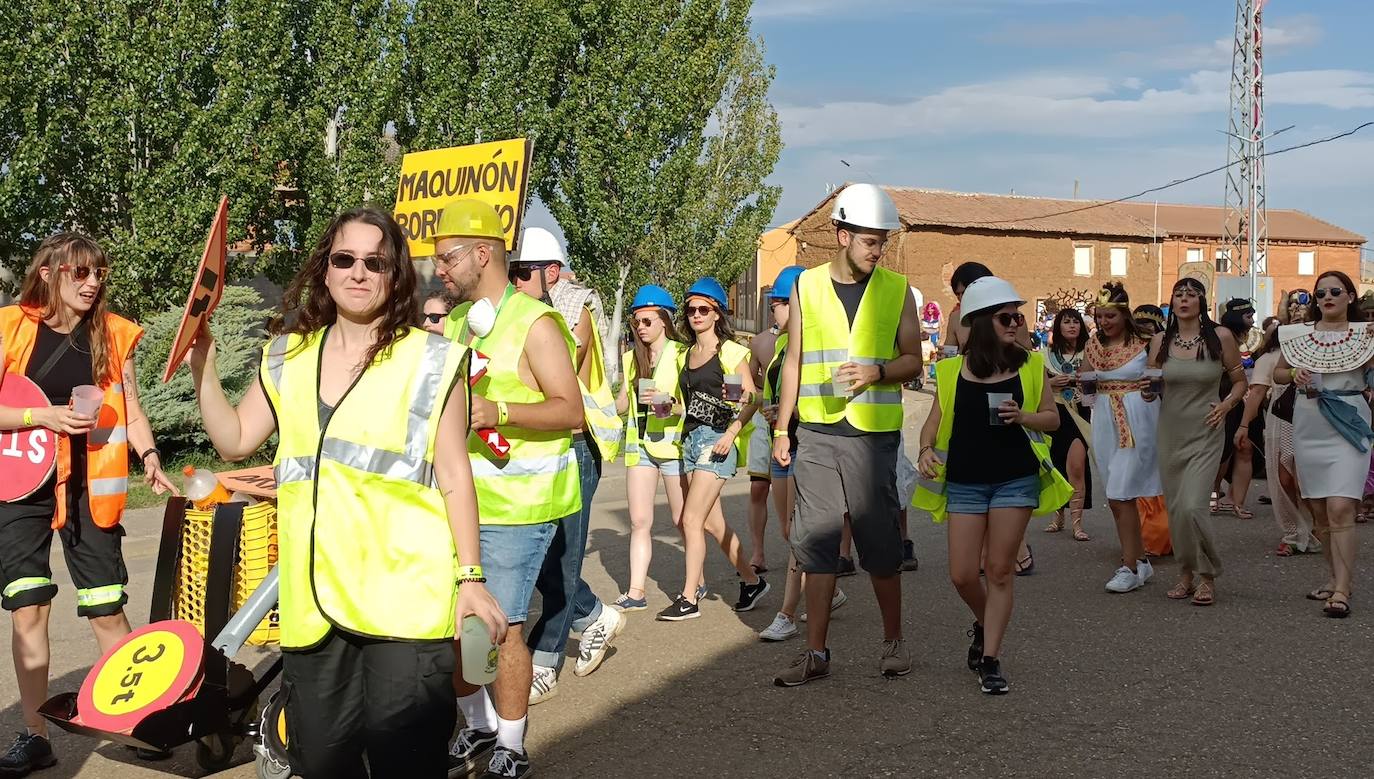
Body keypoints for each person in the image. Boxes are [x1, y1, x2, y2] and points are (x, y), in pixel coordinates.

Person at [187, 207, 505, 777]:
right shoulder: (286, 357)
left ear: (395, 274)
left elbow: (456, 475)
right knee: (324, 765)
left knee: (404, 765)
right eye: (344, 259)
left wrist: (472, 581)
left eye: (374, 262)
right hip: (314, 606)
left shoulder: (433, 360)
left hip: (404, 603)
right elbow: (234, 439)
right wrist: (201, 360)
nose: (358, 272)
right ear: (326, 271)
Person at [0, 233, 178, 775]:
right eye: (80, 272)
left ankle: (138, 720)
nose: (92, 282)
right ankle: (35, 736)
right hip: (20, 484)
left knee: (106, 607)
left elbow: (133, 408)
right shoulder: (10, 327)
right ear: (50, 273)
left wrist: (149, 455)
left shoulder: (112, 333)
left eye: (99, 272)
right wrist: (43, 418)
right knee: (29, 605)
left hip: (86, 487)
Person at [433, 200, 585, 778]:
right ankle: (476, 726)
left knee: (504, 624)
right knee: (457, 621)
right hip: (459, 502)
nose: (440, 269)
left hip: (521, 507)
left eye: (448, 258)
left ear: (483, 254)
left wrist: (494, 410)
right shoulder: (452, 324)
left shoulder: (536, 323)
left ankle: (512, 744)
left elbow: (570, 411)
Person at [770, 184, 923, 686]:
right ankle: (815, 652)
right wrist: (781, 429)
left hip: (872, 435)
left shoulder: (897, 290)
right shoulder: (805, 286)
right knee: (814, 541)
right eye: (868, 240)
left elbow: (913, 360)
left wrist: (878, 371)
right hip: (816, 429)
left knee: (879, 542)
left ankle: (894, 640)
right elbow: (792, 361)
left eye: (881, 241)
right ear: (841, 235)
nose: (876, 249)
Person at [915, 277, 1069, 694]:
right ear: (981, 322)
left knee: (1000, 570)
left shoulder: (1031, 366)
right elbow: (931, 428)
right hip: (965, 482)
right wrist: (926, 451)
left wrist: (1024, 417)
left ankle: (991, 659)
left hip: (1015, 480)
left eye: (1018, 316)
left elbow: (1053, 419)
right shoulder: (949, 372)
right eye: (1007, 317)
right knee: (963, 574)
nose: (1016, 323)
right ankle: (985, 623)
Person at [506, 227, 625, 705]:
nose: (513, 281)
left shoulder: (573, 309)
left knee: (562, 555)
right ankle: (594, 614)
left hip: (577, 446)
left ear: (550, 271)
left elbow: (552, 375)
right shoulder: (519, 313)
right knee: (538, 554)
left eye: (521, 271)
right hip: (538, 447)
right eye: (510, 271)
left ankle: (545, 657)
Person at [656, 277, 770, 622]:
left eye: (703, 309)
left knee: (690, 519)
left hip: (716, 441)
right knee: (711, 524)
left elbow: (749, 400)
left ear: (717, 313)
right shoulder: (686, 355)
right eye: (690, 309)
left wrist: (732, 432)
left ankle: (689, 597)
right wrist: (663, 404)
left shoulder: (732, 352)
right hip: (689, 440)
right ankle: (752, 581)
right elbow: (685, 407)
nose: (695, 315)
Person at [756, 267, 851, 641]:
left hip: (809, 446)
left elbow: (830, 395)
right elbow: (774, 392)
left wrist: (792, 412)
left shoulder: (817, 344)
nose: (773, 313)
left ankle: (786, 614)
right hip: (782, 444)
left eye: (778, 304)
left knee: (800, 534)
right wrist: (775, 412)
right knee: (789, 531)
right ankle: (829, 590)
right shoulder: (781, 347)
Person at [1274, 270, 1374, 618]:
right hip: (1309, 421)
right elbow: (1277, 373)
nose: (1327, 297)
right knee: (1319, 511)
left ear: (1350, 296)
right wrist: (1293, 374)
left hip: (1349, 421)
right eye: (1320, 293)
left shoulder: (1367, 335)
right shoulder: (1298, 335)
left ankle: (1344, 590)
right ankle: (1334, 578)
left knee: (1341, 507)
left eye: (1335, 291)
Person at [1146, 278, 1246, 606]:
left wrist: (1227, 405)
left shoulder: (1220, 337)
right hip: (1170, 432)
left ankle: (1207, 575)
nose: (1185, 299)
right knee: (1176, 509)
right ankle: (1185, 573)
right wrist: (1147, 391)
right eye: (1179, 295)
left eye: (1192, 294)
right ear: (1171, 302)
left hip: (1206, 428)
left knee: (1193, 506)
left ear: (1202, 301)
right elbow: (1153, 386)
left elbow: (1240, 382)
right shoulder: (1160, 340)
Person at [945, 261, 1037, 574]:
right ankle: (992, 554)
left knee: (999, 562)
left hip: (1003, 394)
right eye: (956, 293)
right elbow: (949, 349)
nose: (960, 297)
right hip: (968, 386)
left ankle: (1011, 550)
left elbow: (1024, 354)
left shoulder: (1007, 318)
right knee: (963, 572)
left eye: (964, 291)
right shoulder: (956, 317)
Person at [613, 285, 689, 611]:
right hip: (639, 447)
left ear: (663, 320)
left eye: (646, 321)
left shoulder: (683, 354)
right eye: (636, 322)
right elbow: (619, 404)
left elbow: (690, 407)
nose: (640, 327)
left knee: (683, 521)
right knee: (639, 521)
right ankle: (636, 591)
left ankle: (694, 583)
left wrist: (665, 403)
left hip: (672, 448)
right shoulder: (631, 358)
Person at [1082, 283, 1161, 594]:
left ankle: (1129, 566)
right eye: (1100, 316)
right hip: (1103, 419)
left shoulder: (1146, 342)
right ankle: (1140, 561)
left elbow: (1159, 380)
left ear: (1125, 314)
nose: (1104, 322)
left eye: (1110, 315)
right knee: (1116, 496)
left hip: (1136, 419)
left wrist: (1154, 384)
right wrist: (1075, 383)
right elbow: (1087, 382)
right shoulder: (1093, 346)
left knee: (1120, 492)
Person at [1238, 322, 1319, 556]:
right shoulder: (1269, 359)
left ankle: (1316, 529)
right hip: (1282, 417)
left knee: (1305, 478)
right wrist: (1244, 425)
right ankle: (1295, 531)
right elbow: (1256, 393)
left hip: (1314, 416)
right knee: (1285, 477)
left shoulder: (1318, 353)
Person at [1041, 307, 1093, 540]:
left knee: (1076, 466)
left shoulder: (1090, 352)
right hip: (1055, 413)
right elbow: (1037, 386)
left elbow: (1098, 383)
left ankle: (1077, 523)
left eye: (1076, 322)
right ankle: (1057, 515)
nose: (1072, 326)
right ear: (1058, 327)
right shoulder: (1046, 355)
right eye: (1067, 322)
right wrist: (1052, 383)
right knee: (1057, 467)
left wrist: (1083, 384)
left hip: (1080, 414)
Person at [745, 281, 785, 575]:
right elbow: (750, 385)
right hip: (764, 420)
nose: (776, 310)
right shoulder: (759, 342)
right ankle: (758, 552)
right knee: (759, 487)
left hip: (797, 422)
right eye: (775, 305)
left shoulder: (809, 338)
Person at [1213, 298, 1262, 519]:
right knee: (1221, 452)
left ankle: (1236, 501)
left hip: (1250, 400)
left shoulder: (1256, 340)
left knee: (1245, 448)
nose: (1252, 321)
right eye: (1248, 317)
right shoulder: (1220, 336)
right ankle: (1212, 496)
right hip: (1227, 399)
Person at [1131, 305, 1172, 557]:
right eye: (1140, 323)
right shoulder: (1127, 349)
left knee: (1158, 469)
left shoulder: (1166, 348)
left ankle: (1162, 535)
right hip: (1132, 414)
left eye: (1149, 323)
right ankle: (1143, 536)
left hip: (1159, 411)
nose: (1145, 328)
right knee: (1138, 467)